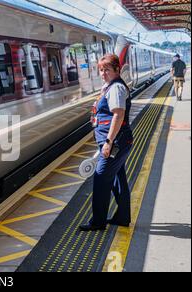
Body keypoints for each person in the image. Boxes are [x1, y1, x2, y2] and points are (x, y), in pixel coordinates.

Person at [80, 54, 134, 231]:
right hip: (116, 141)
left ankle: (98, 222)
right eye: (101, 70)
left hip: (115, 141)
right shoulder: (109, 86)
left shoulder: (117, 88)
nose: (103, 73)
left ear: (117, 70)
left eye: (107, 70)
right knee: (118, 178)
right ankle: (122, 217)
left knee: (101, 178)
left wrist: (108, 142)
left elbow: (118, 115)